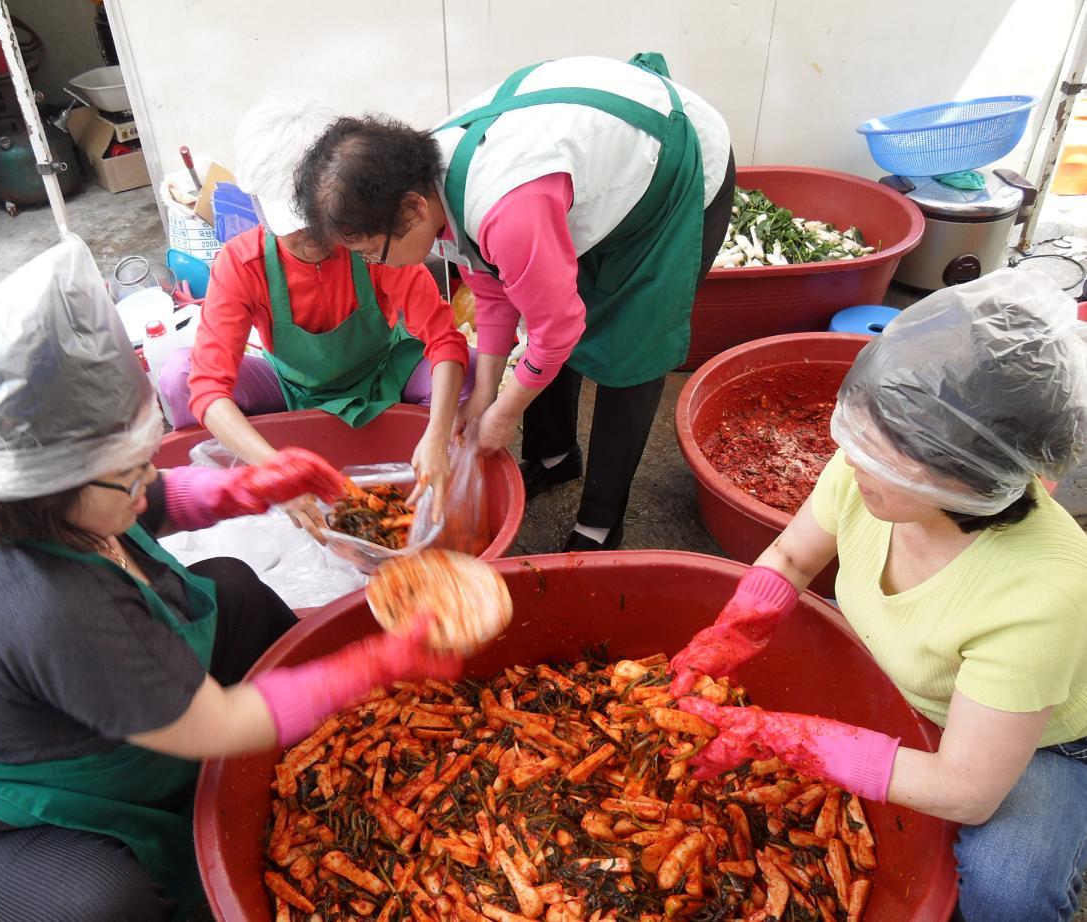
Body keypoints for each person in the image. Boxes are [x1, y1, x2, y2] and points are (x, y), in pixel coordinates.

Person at [0, 235, 461, 921]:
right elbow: (212, 723)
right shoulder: (40, 605)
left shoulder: (62, 505)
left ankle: (299, 757)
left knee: (232, 589)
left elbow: (159, 499)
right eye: (130, 468)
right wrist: (385, 660)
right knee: (103, 904)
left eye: (142, 454)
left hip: (97, 723)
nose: (147, 475)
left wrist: (252, 485)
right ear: (43, 488)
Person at [665, 270, 1087, 922]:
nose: (849, 455)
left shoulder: (1042, 591)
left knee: (1007, 888)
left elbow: (965, 788)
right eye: (862, 429)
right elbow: (790, 555)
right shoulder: (868, 463)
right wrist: (727, 640)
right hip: (907, 675)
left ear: (970, 478)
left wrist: (779, 736)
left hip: (1042, 743)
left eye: (887, 452)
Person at [294, 53, 734, 550]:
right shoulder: (418, 180)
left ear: (413, 208)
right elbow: (492, 287)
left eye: (372, 252)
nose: (377, 266)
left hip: (671, 163)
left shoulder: (507, 207)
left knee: (630, 350)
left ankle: (600, 522)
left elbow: (557, 330)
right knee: (545, 301)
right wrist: (485, 393)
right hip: (583, 172)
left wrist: (505, 414)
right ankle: (555, 455)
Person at [158, 97, 473, 526]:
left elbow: (443, 339)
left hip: (382, 373)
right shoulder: (242, 262)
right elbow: (208, 388)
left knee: (465, 372)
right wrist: (275, 471)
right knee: (178, 376)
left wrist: (437, 435)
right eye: (296, 228)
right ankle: (234, 488)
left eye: (322, 226)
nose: (312, 241)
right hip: (292, 387)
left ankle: (441, 488)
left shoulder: (370, 245)